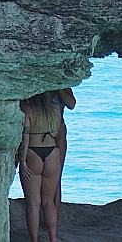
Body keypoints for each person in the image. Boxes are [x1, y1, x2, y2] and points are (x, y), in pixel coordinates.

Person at [17, 92, 62, 242]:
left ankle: (34, 240)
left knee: (33, 203)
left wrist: (22, 162)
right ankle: (53, 238)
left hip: (33, 154)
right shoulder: (55, 109)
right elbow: (56, 132)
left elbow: (25, 138)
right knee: (48, 201)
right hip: (52, 153)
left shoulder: (27, 110)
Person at [52, 87, 76, 225]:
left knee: (56, 176)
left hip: (58, 133)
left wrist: (59, 87)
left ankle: (56, 215)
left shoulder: (63, 87)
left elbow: (71, 104)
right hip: (40, 132)